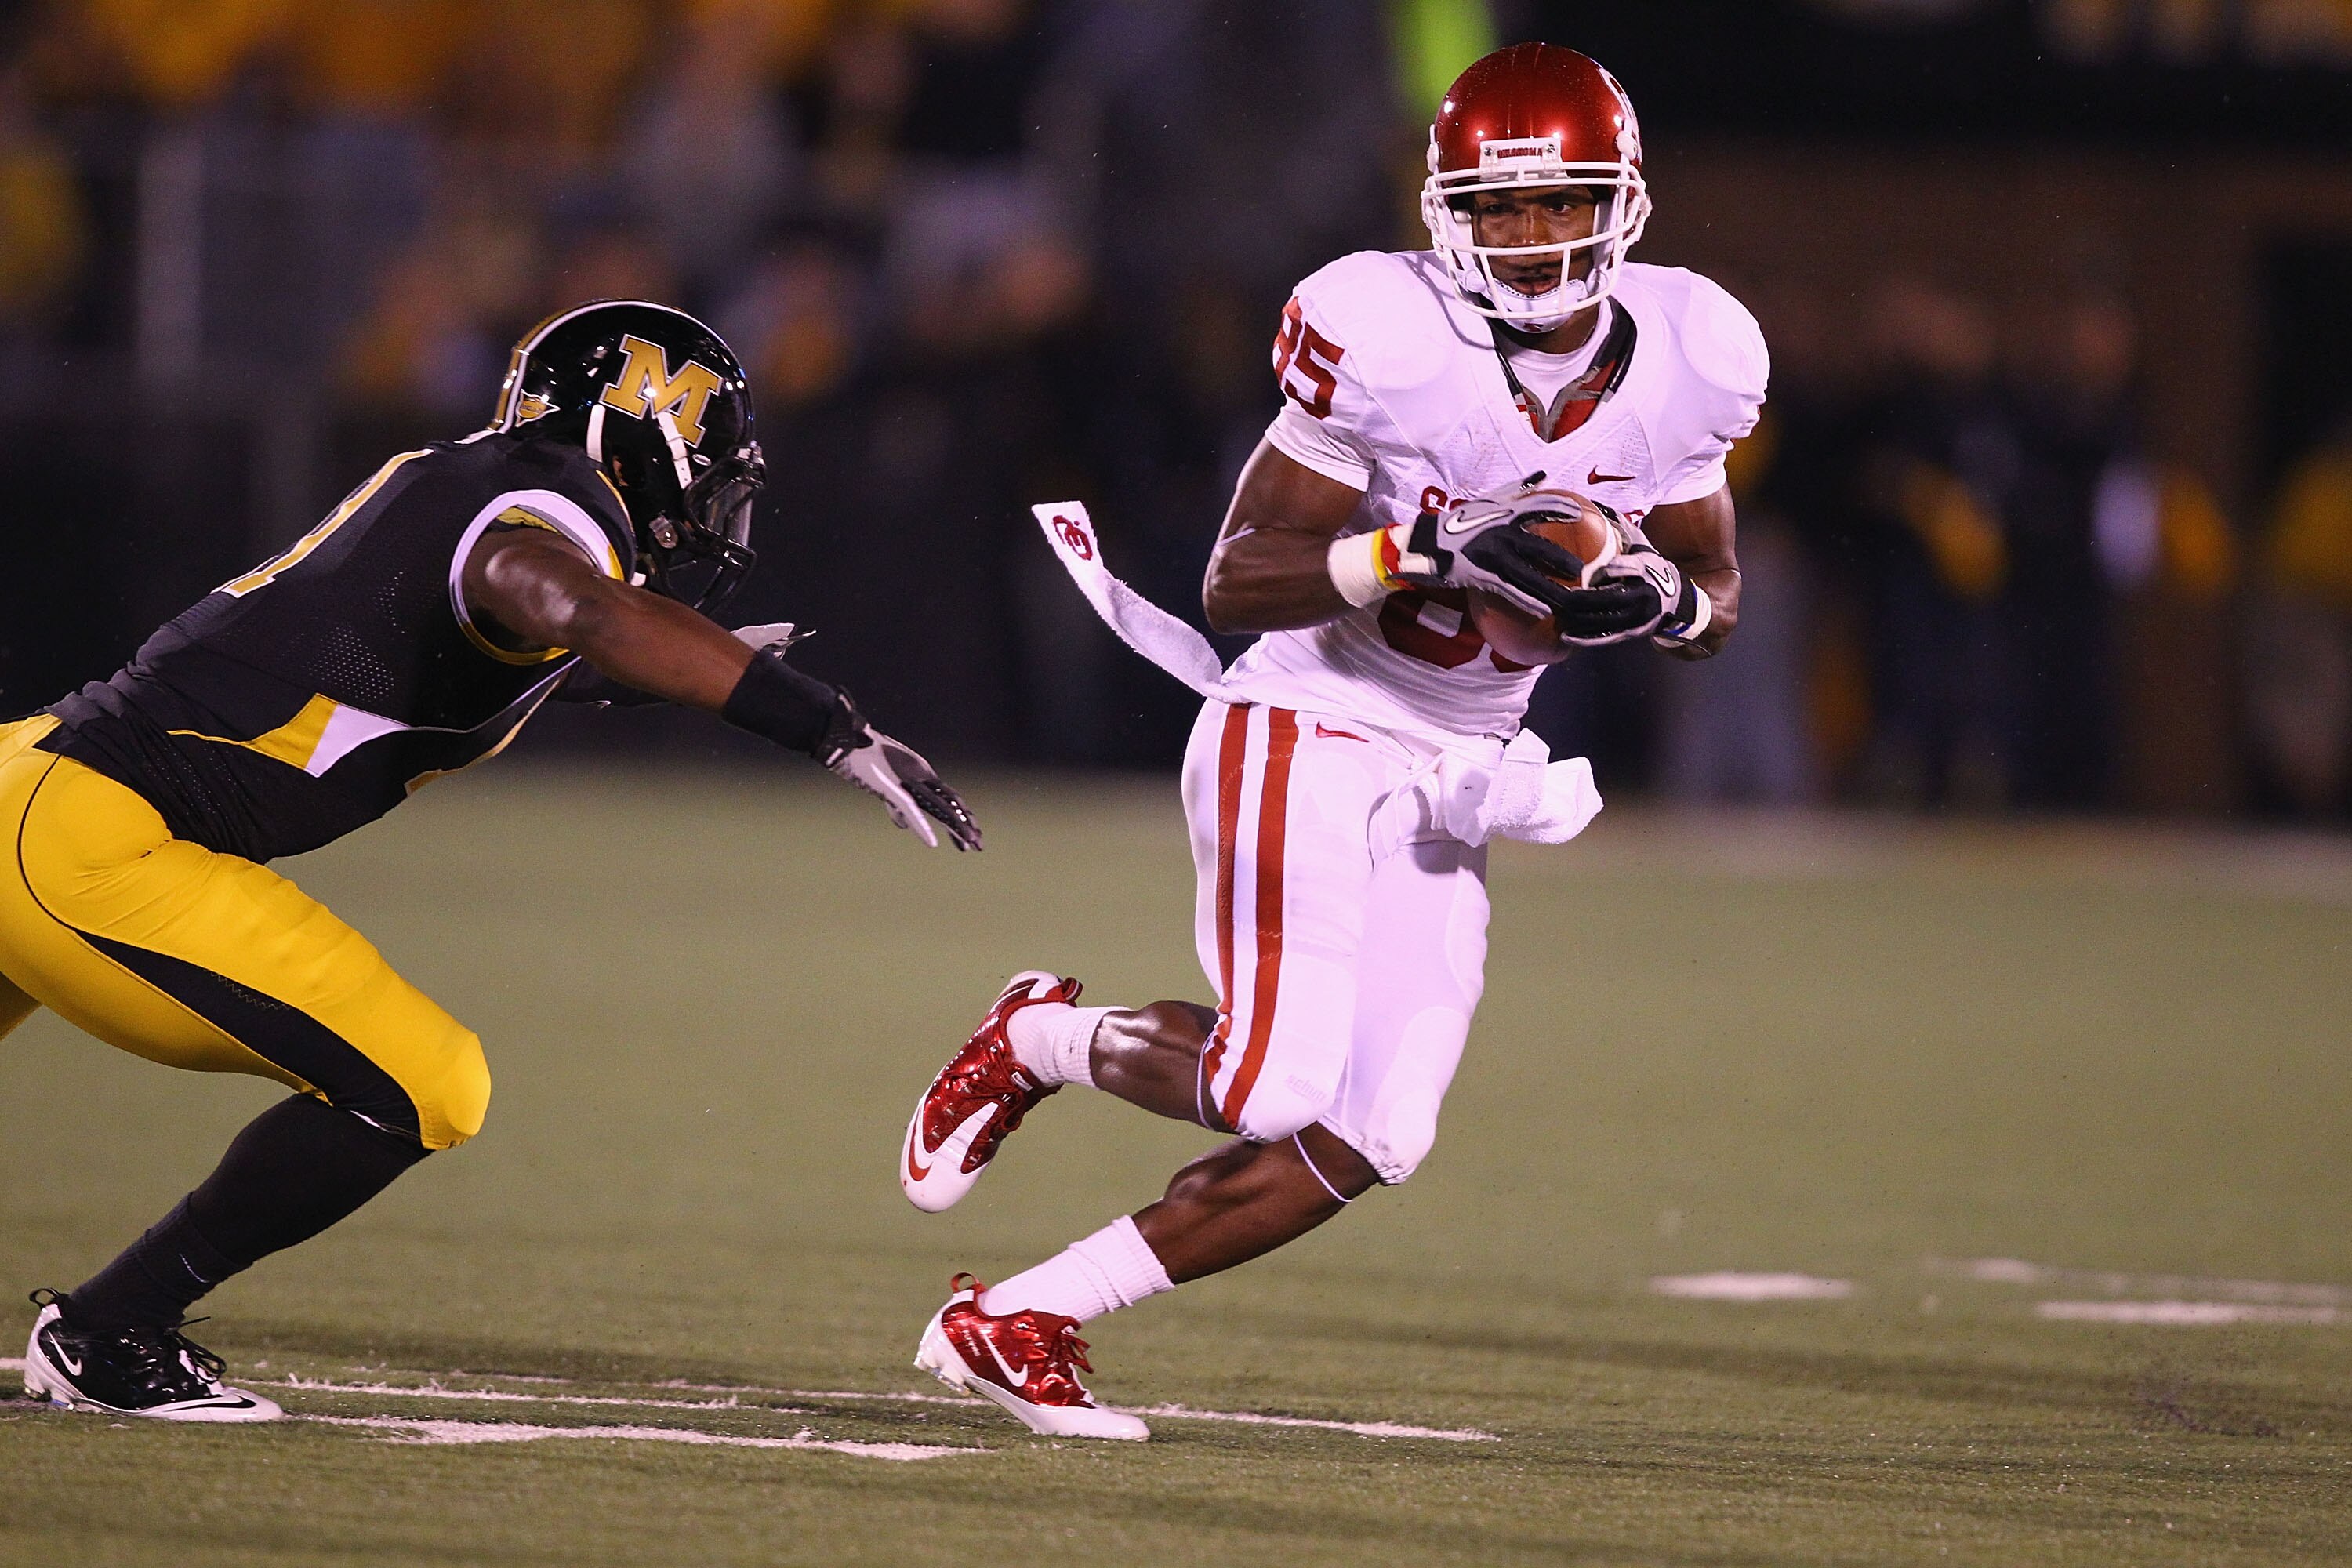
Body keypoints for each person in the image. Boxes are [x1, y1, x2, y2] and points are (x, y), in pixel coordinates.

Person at [895, 42, 1766, 1439]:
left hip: (1458, 769)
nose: (1532, 237)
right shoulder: (1388, 332)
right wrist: (1423, 547)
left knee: (1377, 1130)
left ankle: (1021, 1318)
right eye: (1499, 206)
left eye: (1561, 202)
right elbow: (1236, 577)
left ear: (1624, 203)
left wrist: (1665, 600)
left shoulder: (1696, 354)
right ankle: (1041, 1036)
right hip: (1309, 718)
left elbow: (1715, 594)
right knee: (1270, 1082)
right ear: (1445, 212)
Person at [5, 300, 979, 1421]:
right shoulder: (549, 504)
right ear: (645, 439)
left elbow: (458, 648)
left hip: (31, 785)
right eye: (708, 473)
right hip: (93, 839)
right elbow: (567, 601)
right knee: (423, 1083)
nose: (713, 509)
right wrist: (819, 723)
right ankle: (111, 1330)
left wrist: (644, 665)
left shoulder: (477, 483)